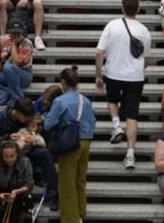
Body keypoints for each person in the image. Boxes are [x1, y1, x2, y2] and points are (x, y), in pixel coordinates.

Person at [95, 0, 151, 169]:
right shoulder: (144, 30)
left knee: (112, 101)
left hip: (113, 72)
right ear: (138, 9)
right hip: (135, 76)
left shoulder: (112, 26)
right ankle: (130, 155)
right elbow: (147, 59)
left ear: (122, 8)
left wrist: (98, 75)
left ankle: (117, 125)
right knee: (132, 115)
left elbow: (99, 53)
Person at [0, 97, 58, 211]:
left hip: (27, 150)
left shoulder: (29, 118)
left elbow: (40, 137)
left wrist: (33, 141)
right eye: (27, 118)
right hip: (9, 152)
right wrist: (8, 137)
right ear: (18, 113)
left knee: (45, 154)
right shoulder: (1, 118)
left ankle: (53, 193)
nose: (29, 120)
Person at [44, 66, 96, 223]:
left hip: (69, 143)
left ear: (64, 82)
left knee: (66, 183)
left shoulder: (60, 101)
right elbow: (92, 121)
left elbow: (48, 124)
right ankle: (81, 211)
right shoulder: (85, 100)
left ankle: (71, 219)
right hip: (85, 141)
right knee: (80, 179)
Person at [0, 19, 34, 106]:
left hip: (23, 75)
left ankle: (17, 98)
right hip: (6, 73)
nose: (15, 35)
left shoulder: (27, 44)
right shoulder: (3, 40)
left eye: (18, 33)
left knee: (8, 67)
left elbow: (17, 63)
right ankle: (4, 92)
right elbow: (0, 56)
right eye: (13, 33)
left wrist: (14, 45)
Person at [0, 141, 34, 222]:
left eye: (12, 156)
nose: (9, 160)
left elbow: (29, 184)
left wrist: (16, 192)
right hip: (1, 194)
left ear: (17, 154)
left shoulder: (25, 162)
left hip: (19, 194)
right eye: (6, 157)